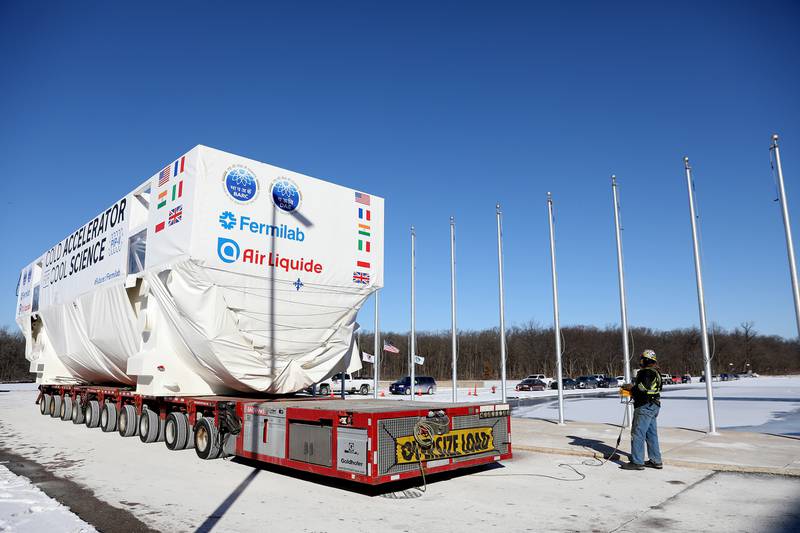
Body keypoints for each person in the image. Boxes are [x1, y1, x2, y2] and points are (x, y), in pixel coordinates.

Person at [621, 349, 663, 470]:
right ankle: (656, 460)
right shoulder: (656, 372)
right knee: (651, 434)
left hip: (644, 406)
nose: (640, 362)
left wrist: (631, 388)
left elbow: (643, 388)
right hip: (654, 405)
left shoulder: (646, 372)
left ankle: (637, 462)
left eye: (642, 359)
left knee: (637, 434)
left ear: (646, 360)